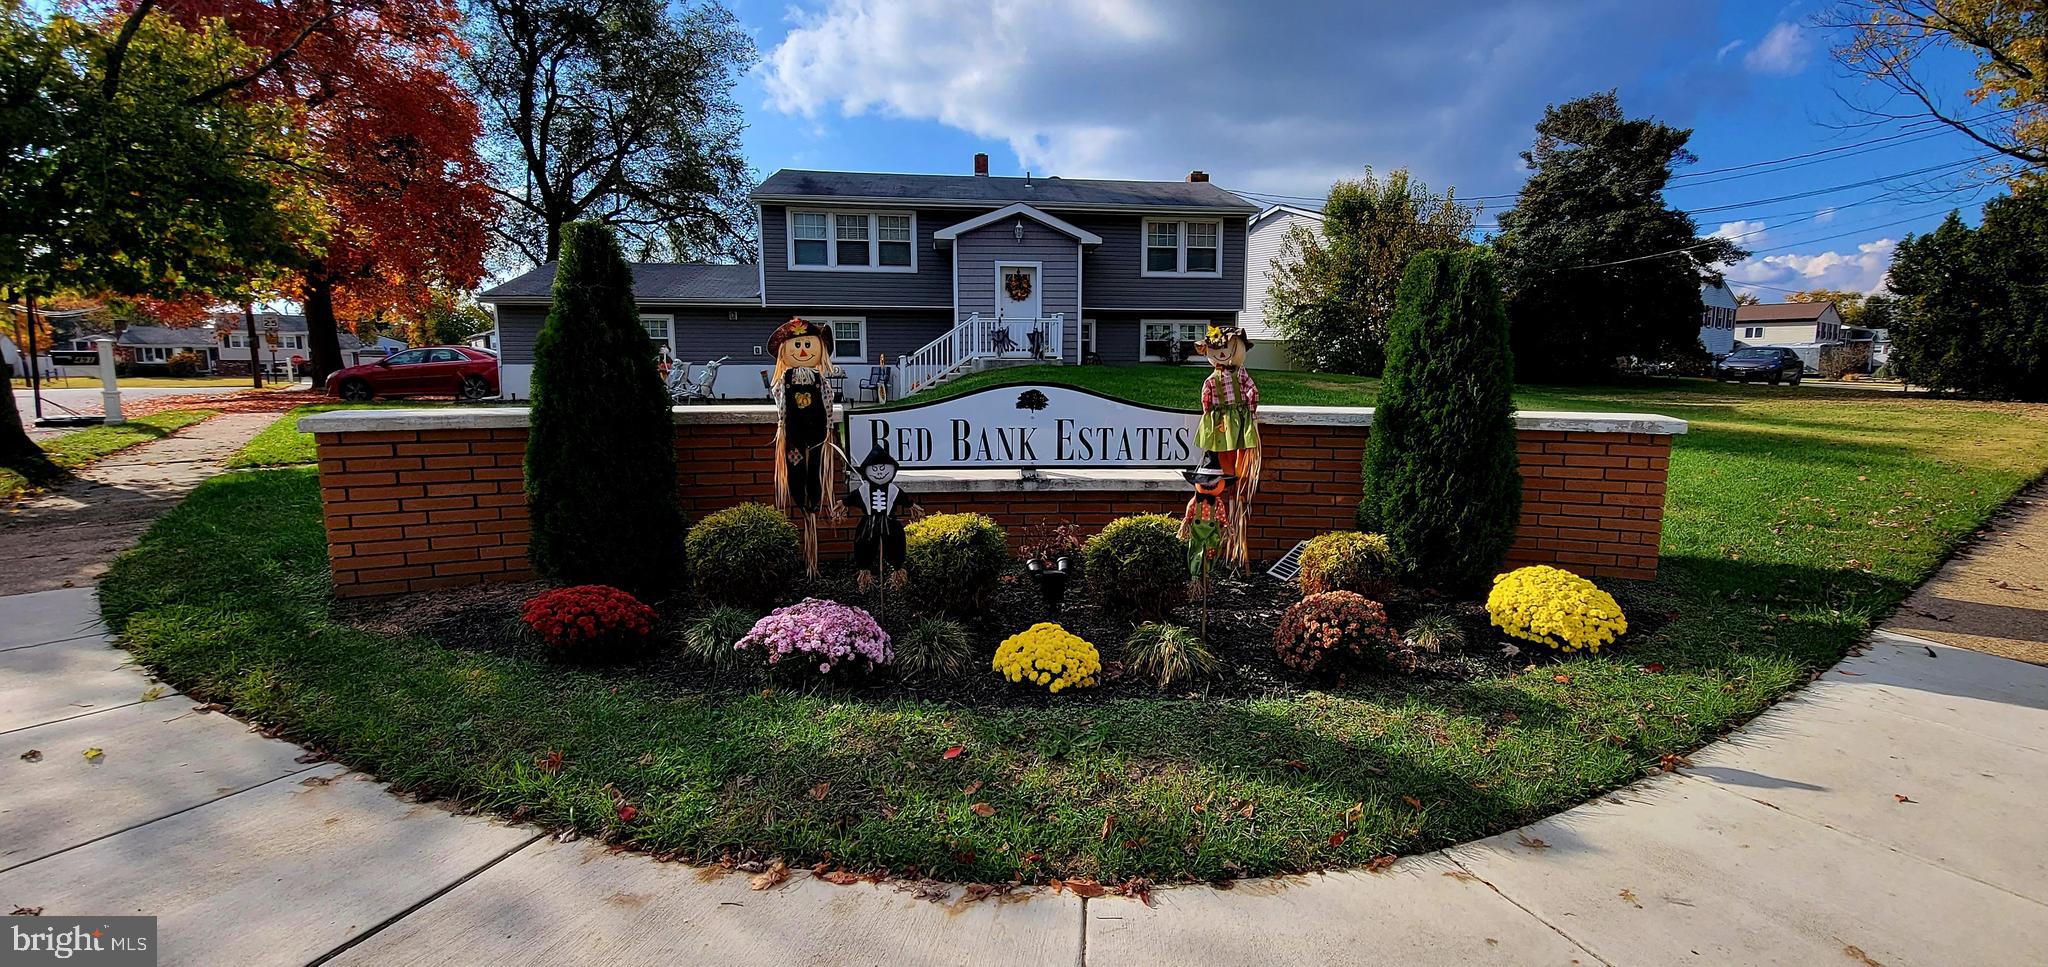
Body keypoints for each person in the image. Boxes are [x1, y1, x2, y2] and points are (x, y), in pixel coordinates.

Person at [768, 317, 841, 575]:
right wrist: (781, 427)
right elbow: (782, 408)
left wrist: (829, 427)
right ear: (785, 352)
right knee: (796, 470)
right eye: (796, 345)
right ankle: (802, 504)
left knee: (816, 473)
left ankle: (814, 505)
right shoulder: (783, 381)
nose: (802, 351)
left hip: (819, 437)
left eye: (808, 344)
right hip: (794, 439)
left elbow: (828, 405)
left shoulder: (821, 380)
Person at [1193, 324, 1262, 568]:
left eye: (1227, 349)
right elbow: (1206, 400)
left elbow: (1252, 392)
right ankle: (1227, 545)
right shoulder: (1212, 379)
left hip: (1238, 422)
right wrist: (1209, 416)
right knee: (1225, 466)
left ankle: (1237, 542)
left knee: (1240, 474)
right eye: (1216, 350)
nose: (1222, 354)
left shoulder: (1241, 375)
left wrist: (1251, 414)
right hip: (1222, 424)